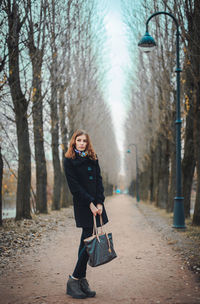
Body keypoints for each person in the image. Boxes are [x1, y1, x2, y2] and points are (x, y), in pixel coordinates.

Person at [63, 129, 109, 299]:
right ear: (74, 142)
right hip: (83, 204)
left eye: (84, 141)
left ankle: (81, 281)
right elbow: (74, 187)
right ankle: (74, 278)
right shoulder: (69, 160)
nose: (82, 143)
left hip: (96, 205)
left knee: (86, 241)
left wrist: (99, 202)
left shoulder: (93, 158)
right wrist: (90, 202)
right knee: (88, 238)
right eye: (79, 140)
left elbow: (99, 181)